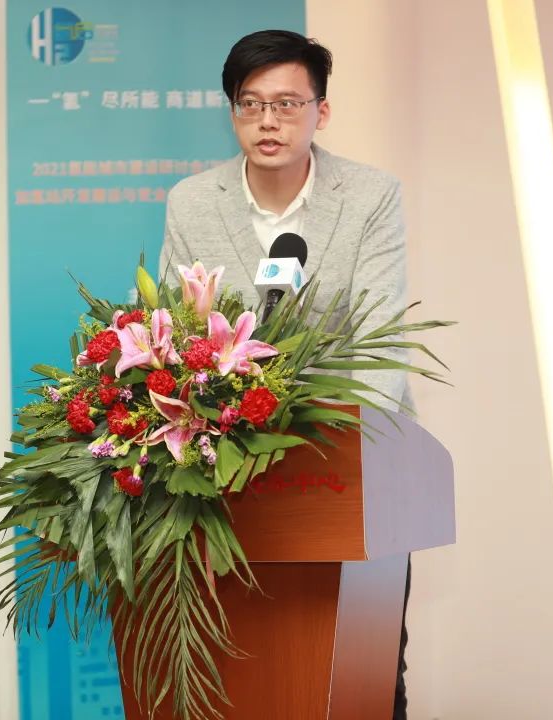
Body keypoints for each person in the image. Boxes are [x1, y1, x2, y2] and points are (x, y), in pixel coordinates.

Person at [159, 29, 413, 718]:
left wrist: (337, 442)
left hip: (350, 470)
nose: (268, 121)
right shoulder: (192, 202)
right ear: (232, 111)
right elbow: (177, 330)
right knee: (254, 670)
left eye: (287, 103)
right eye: (250, 103)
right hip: (229, 480)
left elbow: (381, 340)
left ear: (320, 111)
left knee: (365, 674)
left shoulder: (370, 196)